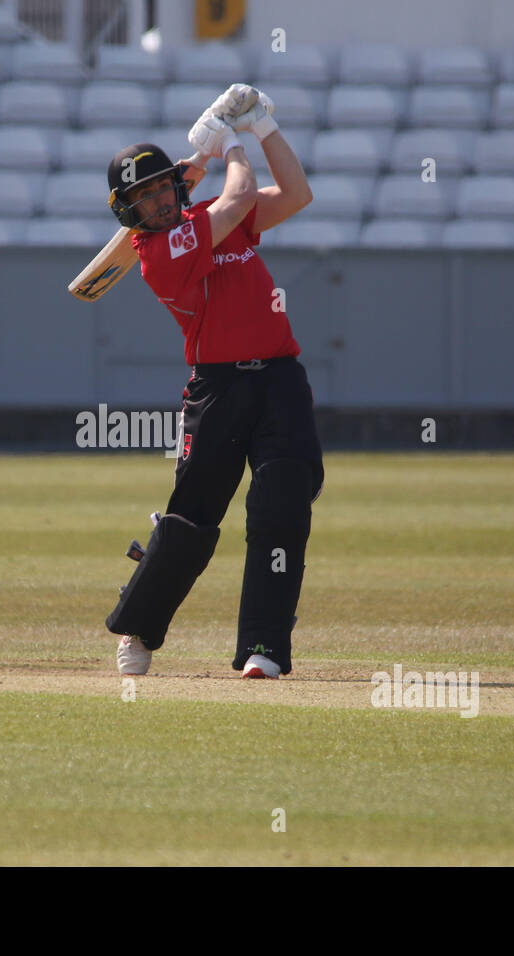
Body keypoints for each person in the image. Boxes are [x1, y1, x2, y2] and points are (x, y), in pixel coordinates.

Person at [103, 85, 325, 680]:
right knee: (192, 522)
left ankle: (265, 648)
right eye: (141, 198)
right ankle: (137, 631)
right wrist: (226, 140)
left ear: (177, 186)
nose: (155, 203)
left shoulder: (206, 218)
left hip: (279, 380)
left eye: (160, 188)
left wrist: (263, 126)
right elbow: (243, 190)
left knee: (282, 506)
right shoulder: (159, 252)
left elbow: (297, 194)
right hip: (218, 390)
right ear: (130, 212)